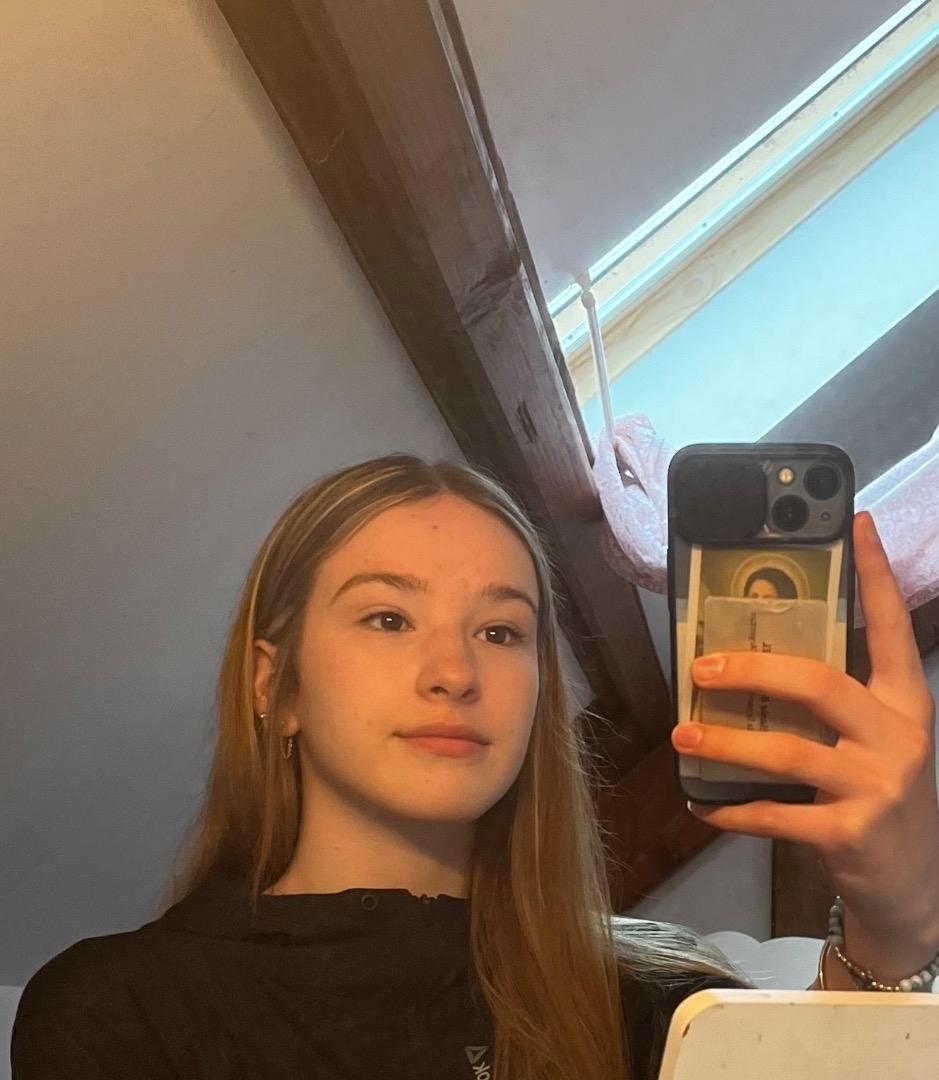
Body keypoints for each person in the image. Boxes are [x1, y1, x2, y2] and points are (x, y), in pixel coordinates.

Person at [11, 454, 939, 1080]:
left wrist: (895, 931)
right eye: (387, 618)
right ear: (274, 685)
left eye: (500, 632)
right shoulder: (119, 1011)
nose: (454, 672)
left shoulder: (661, 1005)